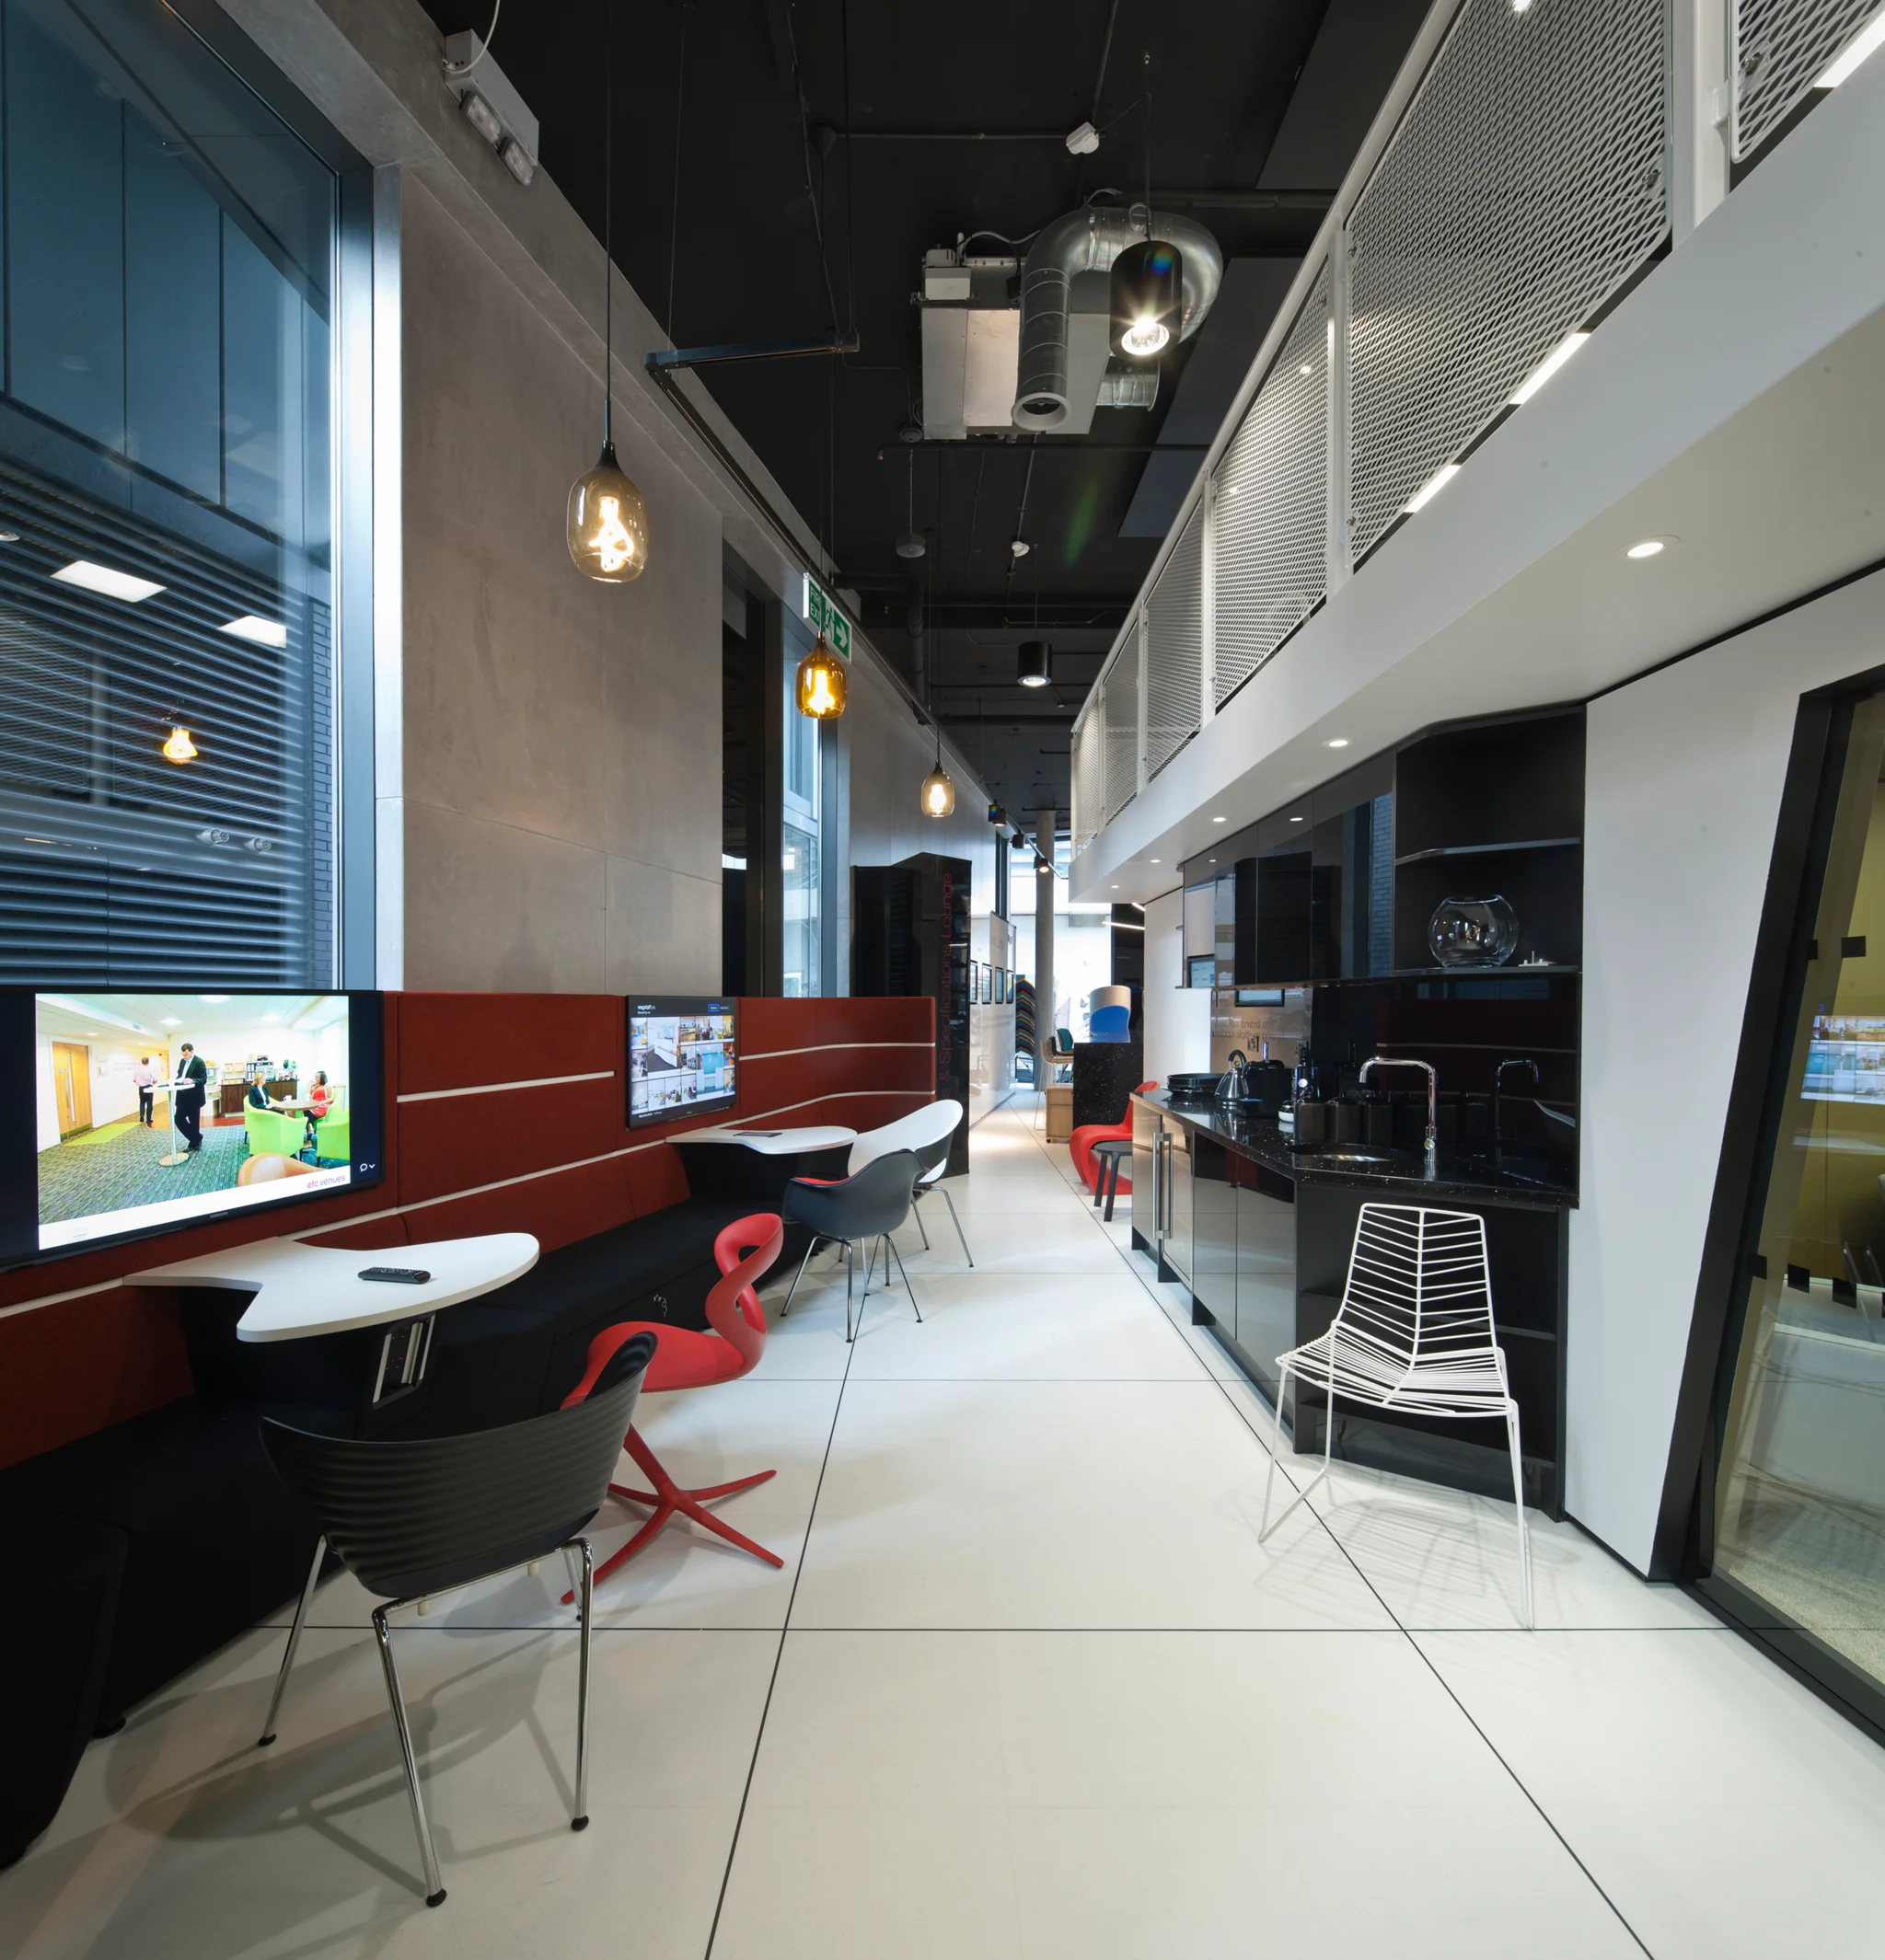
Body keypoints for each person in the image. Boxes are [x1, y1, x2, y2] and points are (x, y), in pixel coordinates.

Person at [172, 1043, 209, 1154]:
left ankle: (194, 1143)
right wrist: (176, 1080)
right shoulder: (182, 1061)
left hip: (194, 1098)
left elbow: (203, 1079)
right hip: (182, 1096)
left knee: (194, 1122)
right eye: (183, 1055)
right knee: (178, 1119)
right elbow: (180, 1075)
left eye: (186, 1054)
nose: (184, 1057)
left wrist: (192, 1080)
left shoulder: (199, 1062)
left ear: (192, 1052)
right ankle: (197, 1137)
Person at [132, 1056, 157, 1127]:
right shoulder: (150, 1069)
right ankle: (148, 1119)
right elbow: (155, 1080)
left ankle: (141, 1115)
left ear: (141, 1062)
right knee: (149, 1103)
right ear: (148, 1062)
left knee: (142, 1102)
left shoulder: (137, 1070)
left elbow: (134, 1080)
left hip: (141, 1088)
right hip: (149, 1087)